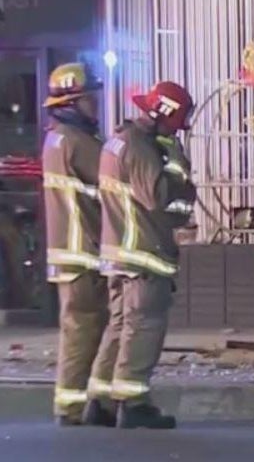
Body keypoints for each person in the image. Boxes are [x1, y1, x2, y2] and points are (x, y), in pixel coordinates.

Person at [94, 81, 196, 429]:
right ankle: (132, 401)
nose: (177, 131)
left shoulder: (118, 140)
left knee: (120, 326)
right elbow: (161, 198)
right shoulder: (141, 147)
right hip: (144, 254)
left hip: (117, 253)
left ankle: (101, 400)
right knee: (144, 326)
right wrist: (177, 163)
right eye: (176, 124)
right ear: (165, 116)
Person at [40, 63, 114, 427]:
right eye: (89, 100)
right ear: (71, 102)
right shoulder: (79, 142)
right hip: (84, 253)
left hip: (68, 253)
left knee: (79, 329)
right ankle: (75, 407)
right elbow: (115, 183)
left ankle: (76, 404)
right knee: (85, 329)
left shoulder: (55, 139)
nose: (95, 107)